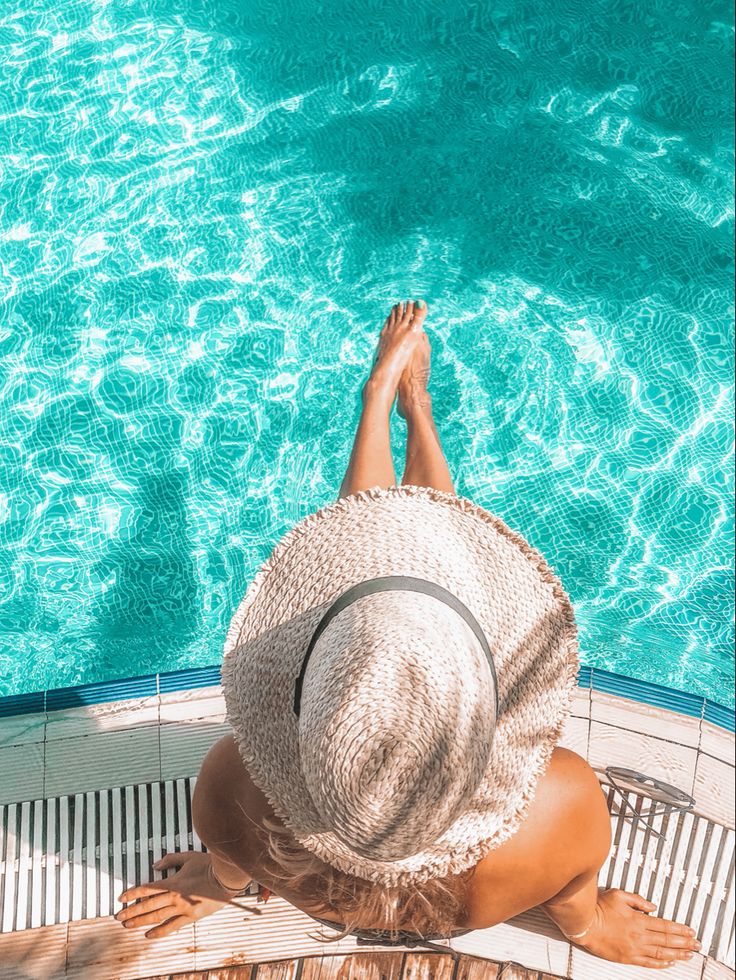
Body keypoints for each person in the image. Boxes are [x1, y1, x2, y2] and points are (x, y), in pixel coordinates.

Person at [116, 301, 701, 970]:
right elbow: (571, 894)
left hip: (309, 881)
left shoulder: (235, 791)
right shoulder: (560, 806)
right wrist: (588, 924)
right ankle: (413, 406)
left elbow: (226, 867)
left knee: (369, 595)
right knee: (417, 585)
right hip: (474, 901)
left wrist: (212, 889)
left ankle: (383, 400)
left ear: (312, 727)